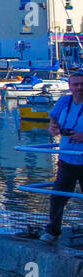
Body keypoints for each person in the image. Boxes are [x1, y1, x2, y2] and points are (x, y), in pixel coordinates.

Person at [45, 71, 83, 243]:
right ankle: (53, 231)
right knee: (58, 196)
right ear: (70, 86)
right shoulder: (64, 101)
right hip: (67, 158)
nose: (79, 88)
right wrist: (53, 128)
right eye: (75, 84)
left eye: (82, 84)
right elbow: (53, 120)